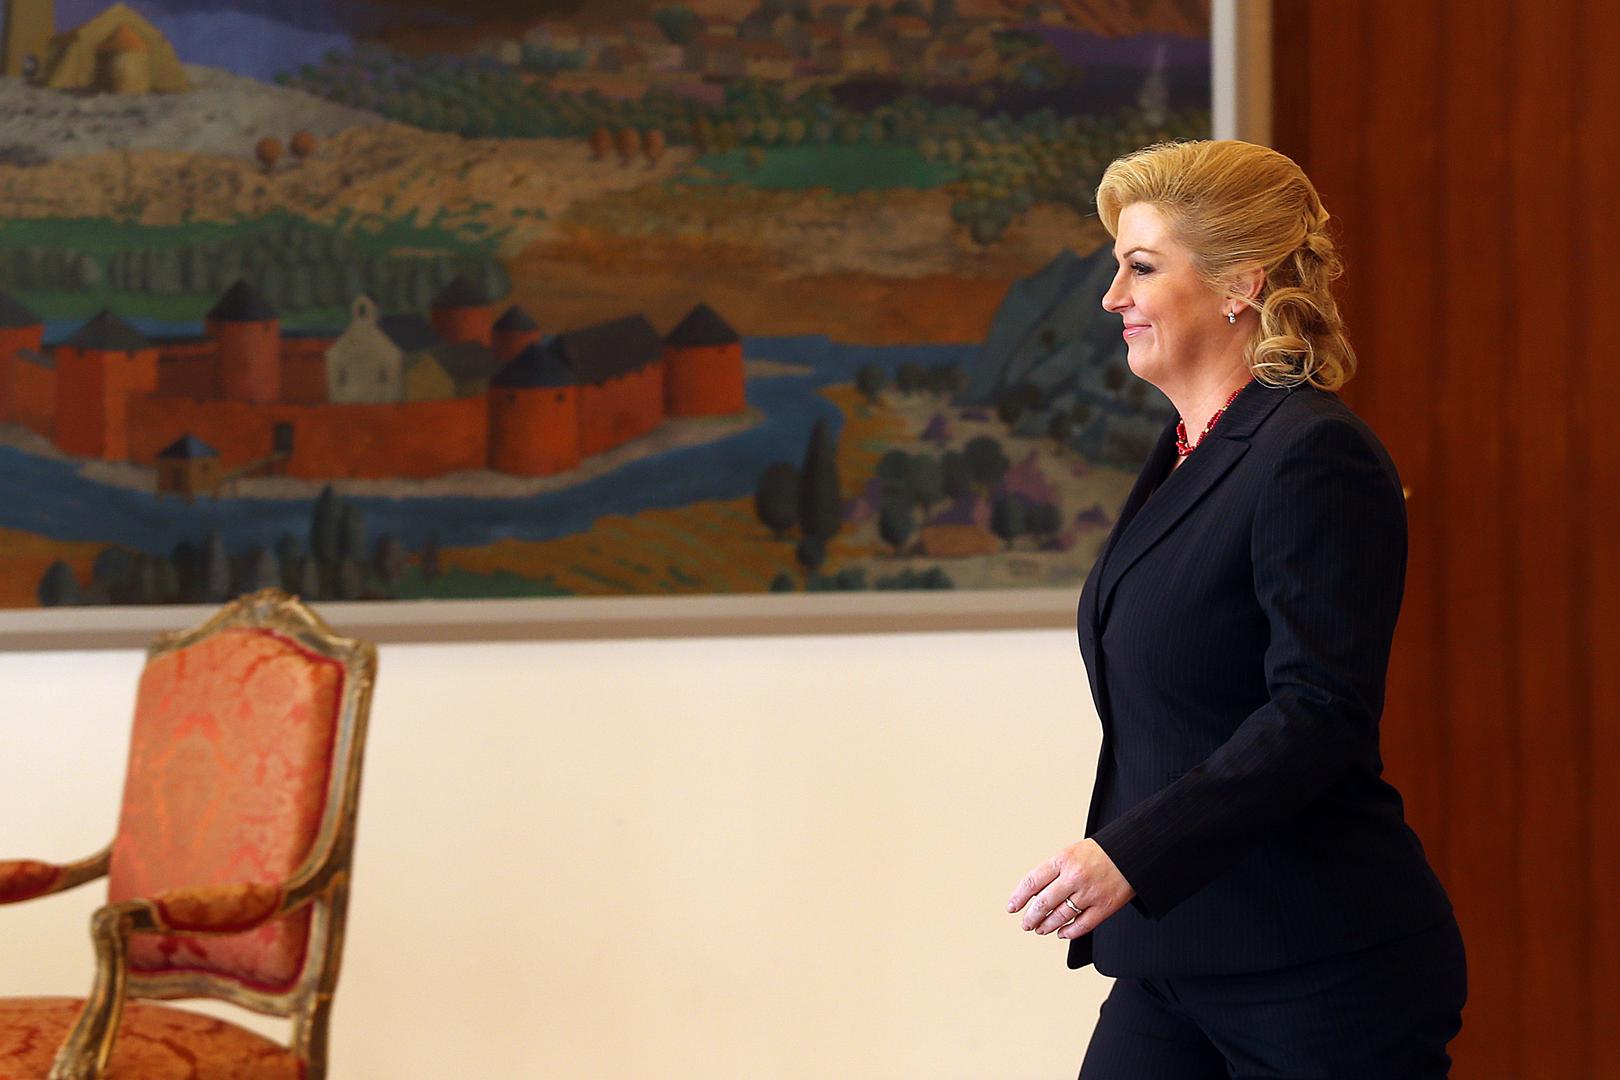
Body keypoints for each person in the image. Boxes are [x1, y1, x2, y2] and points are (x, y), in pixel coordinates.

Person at [1004, 140, 1466, 1078]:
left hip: (1317, 965)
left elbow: (1319, 711)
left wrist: (1131, 853)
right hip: (1174, 954)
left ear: (1239, 285)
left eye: (1141, 267)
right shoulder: (1188, 450)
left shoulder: (1312, 453)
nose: (1112, 297)